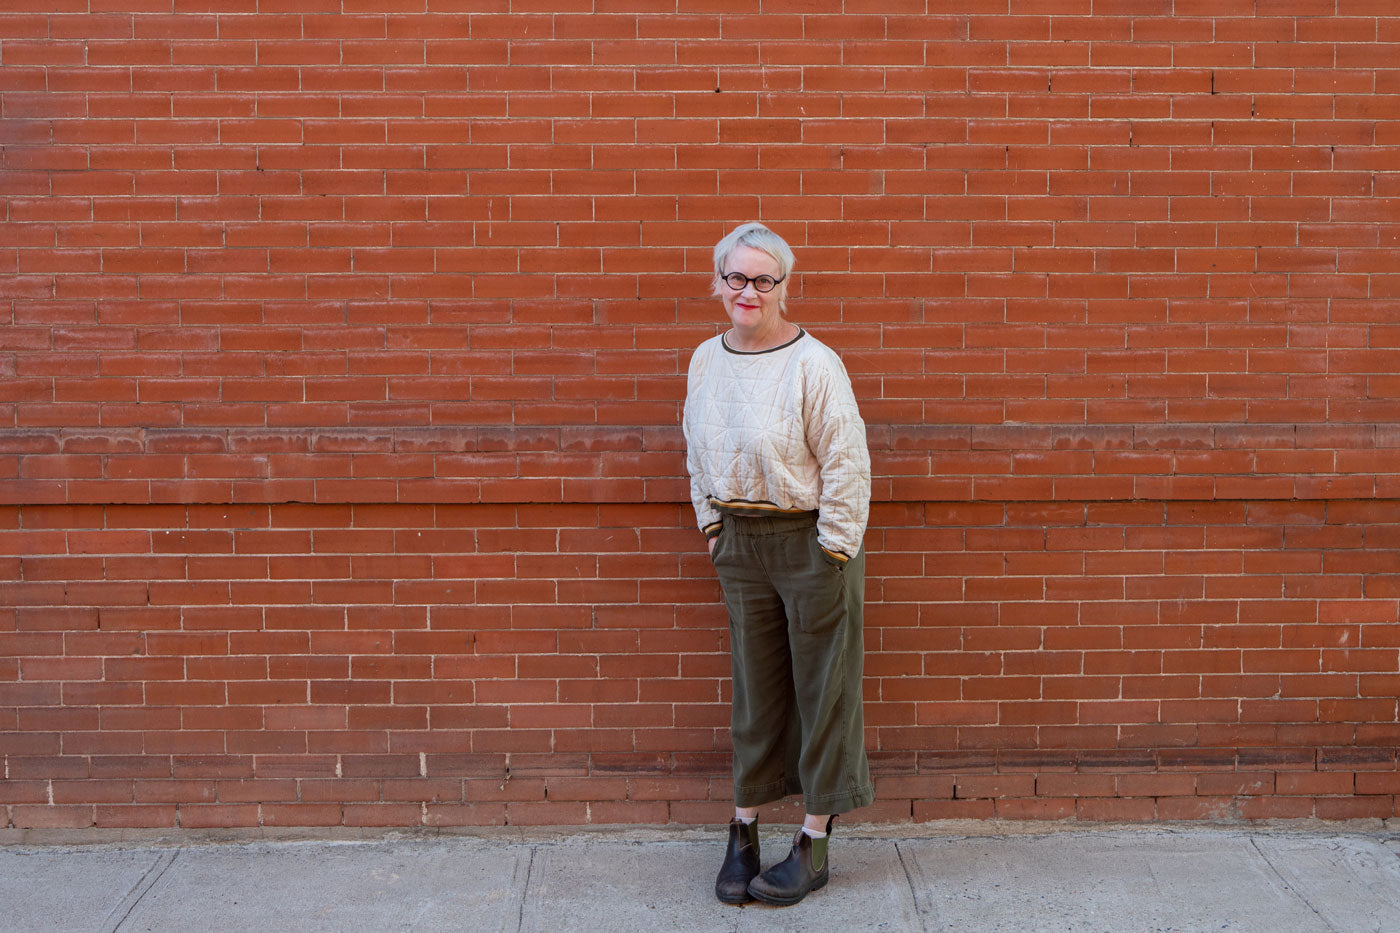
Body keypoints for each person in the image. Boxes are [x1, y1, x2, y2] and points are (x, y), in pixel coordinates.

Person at [682, 222, 873, 907]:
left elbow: (847, 461)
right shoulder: (706, 359)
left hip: (811, 542)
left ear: (784, 287)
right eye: (736, 276)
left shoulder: (813, 363)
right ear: (718, 281)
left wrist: (834, 546)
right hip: (741, 543)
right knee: (755, 694)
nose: (748, 290)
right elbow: (693, 447)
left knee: (823, 692)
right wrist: (713, 528)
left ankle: (814, 839)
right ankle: (744, 830)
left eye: (764, 278)